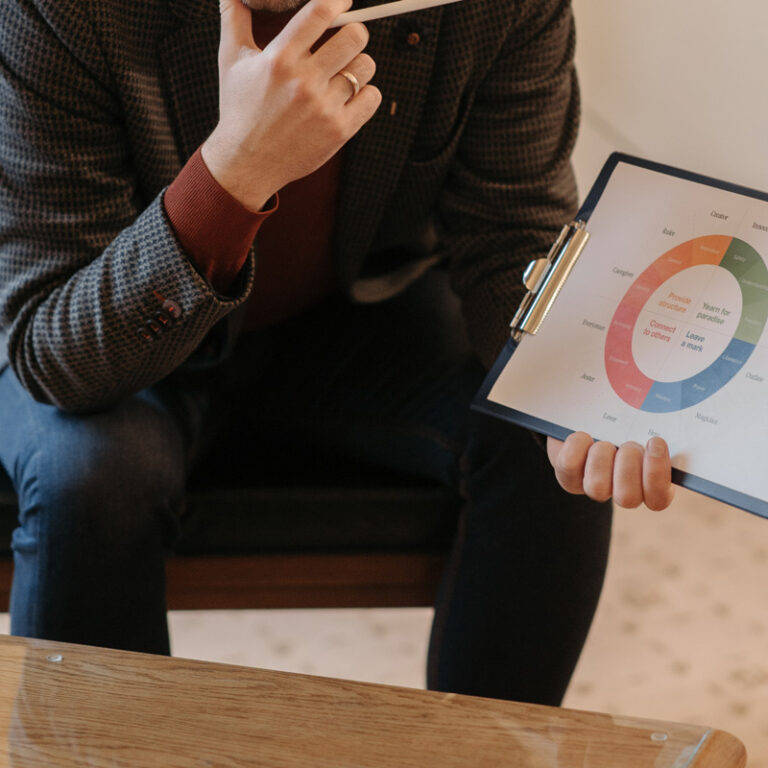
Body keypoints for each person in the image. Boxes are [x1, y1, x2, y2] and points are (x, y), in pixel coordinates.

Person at [0, 0, 673, 704]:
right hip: (112, 316)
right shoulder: (66, 10)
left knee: (545, 440)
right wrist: (233, 171)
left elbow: (512, 235)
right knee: (92, 478)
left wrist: (578, 399)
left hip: (354, 312)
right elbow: (57, 353)